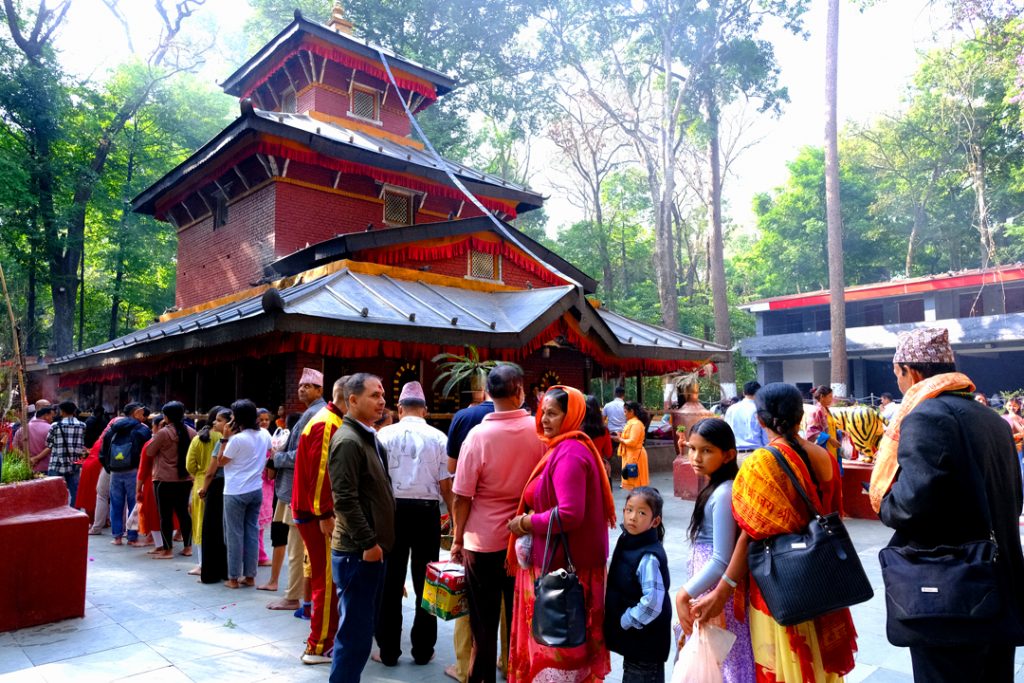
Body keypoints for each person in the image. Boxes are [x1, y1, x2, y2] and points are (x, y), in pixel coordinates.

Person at [869, 327, 1024, 682]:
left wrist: (883, 503)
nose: (900, 386)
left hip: (953, 590)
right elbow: (1014, 498)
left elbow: (910, 505)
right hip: (998, 581)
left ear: (913, 372)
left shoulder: (926, 417)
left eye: (898, 376)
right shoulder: (992, 420)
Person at [732, 383, 856, 682]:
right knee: (818, 662)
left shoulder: (759, 464)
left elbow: (751, 530)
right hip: (820, 570)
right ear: (802, 415)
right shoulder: (823, 455)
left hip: (780, 581)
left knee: (780, 665)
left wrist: (725, 583)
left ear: (760, 420)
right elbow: (833, 509)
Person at [506, 385, 617, 683]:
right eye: (543, 412)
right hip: (558, 561)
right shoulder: (564, 447)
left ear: (573, 416)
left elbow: (569, 514)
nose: (544, 419)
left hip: (564, 570)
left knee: (560, 649)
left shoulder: (569, 452)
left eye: (553, 414)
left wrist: (526, 523)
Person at [450, 366, 543, 683]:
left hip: (483, 542)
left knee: (483, 626)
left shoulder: (477, 436)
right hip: (526, 539)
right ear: (520, 391)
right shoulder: (538, 431)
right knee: (522, 620)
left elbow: (462, 496)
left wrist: (457, 539)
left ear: (488, 394)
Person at [375, 381, 453, 667]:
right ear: (426, 410)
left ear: (399, 408)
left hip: (392, 512)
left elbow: (377, 482)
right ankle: (422, 650)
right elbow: (446, 486)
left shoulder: (384, 435)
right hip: (426, 514)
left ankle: (388, 651)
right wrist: (455, 520)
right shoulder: (438, 437)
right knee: (426, 583)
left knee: (390, 582)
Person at [675, 418, 754, 682]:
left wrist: (683, 594)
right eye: (692, 448)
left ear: (728, 455)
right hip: (708, 585)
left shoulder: (723, 492)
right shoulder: (715, 488)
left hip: (717, 591)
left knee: (724, 658)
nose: (696, 457)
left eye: (706, 450)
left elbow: (721, 559)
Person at [327, 373, 395, 683]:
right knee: (354, 637)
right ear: (352, 401)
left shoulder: (368, 436)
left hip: (370, 551)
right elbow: (344, 500)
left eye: (382, 394)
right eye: (373, 395)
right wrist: (369, 543)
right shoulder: (348, 440)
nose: (381, 401)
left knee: (360, 631)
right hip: (357, 552)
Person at [291, 376, 348, 665]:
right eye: (374, 396)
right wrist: (324, 513)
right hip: (316, 516)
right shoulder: (327, 423)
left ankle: (323, 636)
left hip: (312, 513)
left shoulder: (327, 419)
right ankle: (320, 645)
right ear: (350, 398)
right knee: (326, 579)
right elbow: (321, 473)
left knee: (322, 576)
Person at [445, 385, 495, 682]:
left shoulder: (465, 420)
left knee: (473, 604)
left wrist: (457, 535)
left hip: (476, 527)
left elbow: (455, 479)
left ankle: (466, 666)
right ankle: (507, 660)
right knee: (505, 605)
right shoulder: (530, 425)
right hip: (516, 530)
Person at [266, 367, 327, 608]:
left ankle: (293, 596)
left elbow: (303, 456)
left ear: (320, 390)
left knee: (297, 546)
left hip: (299, 490)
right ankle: (302, 596)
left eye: (307, 386)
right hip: (301, 488)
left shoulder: (315, 414)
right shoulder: (315, 412)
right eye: (300, 385)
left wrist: (276, 458)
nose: (302, 389)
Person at [605, 486, 671, 683]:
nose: (633, 517)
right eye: (629, 510)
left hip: (646, 642)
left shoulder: (648, 556)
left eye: (642, 512)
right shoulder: (629, 541)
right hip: (636, 641)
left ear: (655, 521)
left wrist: (626, 620)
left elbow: (652, 603)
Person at [219, 399, 268, 588]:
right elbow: (270, 450)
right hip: (255, 489)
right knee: (251, 532)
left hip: (235, 491)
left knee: (234, 534)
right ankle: (250, 576)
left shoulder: (237, 439)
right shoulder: (264, 434)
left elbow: (221, 461)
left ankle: (233, 577)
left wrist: (224, 438)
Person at [99, 402, 152, 545]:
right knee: (134, 504)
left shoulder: (112, 430)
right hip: (134, 472)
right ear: (136, 413)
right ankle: (132, 537)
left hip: (115, 472)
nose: (144, 416)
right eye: (142, 413)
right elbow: (149, 452)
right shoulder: (143, 430)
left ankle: (117, 537)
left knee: (116, 504)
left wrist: (110, 468)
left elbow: (102, 454)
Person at [149, 401, 196, 560]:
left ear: (166, 416)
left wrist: (156, 431)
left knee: (165, 515)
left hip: (164, 479)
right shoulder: (191, 432)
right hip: (185, 479)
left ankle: (167, 550)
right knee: (184, 513)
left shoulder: (164, 433)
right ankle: (188, 547)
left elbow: (150, 451)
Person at [185, 406, 225, 575]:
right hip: (223, 482)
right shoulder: (226, 437)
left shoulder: (198, 438)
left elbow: (189, 465)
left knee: (200, 524)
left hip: (201, 481)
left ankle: (203, 563)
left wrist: (197, 474)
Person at [262, 411, 299, 592]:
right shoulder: (305, 444)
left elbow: (270, 474)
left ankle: (274, 581)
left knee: (280, 539)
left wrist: (276, 457)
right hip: (300, 497)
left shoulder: (281, 446)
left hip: (283, 498)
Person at [197, 408, 232, 583]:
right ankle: (227, 571)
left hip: (217, 486)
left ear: (228, 423)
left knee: (211, 530)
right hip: (233, 487)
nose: (214, 423)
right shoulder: (243, 439)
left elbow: (211, 471)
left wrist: (204, 488)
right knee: (226, 531)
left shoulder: (223, 442)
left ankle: (210, 573)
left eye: (219, 420)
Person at [39, 401, 86, 506]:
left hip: (57, 462)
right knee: (75, 492)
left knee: (53, 491)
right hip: (74, 463)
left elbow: (48, 443)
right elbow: (82, 442)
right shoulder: (82, 425)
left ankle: (56, 514)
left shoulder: (55, 425)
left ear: (62, 411)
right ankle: (74, 514)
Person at [724, 381, 767, 460]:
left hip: (735, 455)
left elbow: (726, 431)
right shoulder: (759, 409)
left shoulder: (731, 409)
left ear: (744, 393)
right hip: (756, 455)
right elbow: (765, 435)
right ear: (759, 393)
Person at [256, 407, 275, 566]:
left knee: (258, 524)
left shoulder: (267, 435)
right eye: (261, 419)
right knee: (258, 523)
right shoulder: (266, 436)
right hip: (263, 483)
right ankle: (260, 556)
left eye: (266, 419)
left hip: (264, 484)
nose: (264, 422)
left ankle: (259, 554)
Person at [805, 385, 841, 465]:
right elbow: (811, 432)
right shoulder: (816, 411)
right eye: (830, 396)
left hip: (832, 448)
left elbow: (830, 428)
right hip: (823, 451)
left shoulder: (826, 410)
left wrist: (838, 432)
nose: (832, 399)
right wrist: (829, 438)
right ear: (822, 397)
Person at [618, 400, 649, 489]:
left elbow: (632, 442)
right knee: (631, 480)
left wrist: (620, 439)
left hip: (635, 456)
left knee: (636, 483)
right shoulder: (631, 422)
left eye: (625, 411)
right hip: (630, 454)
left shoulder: (636, 424)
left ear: (632, 411)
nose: (624, 414)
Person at [583, 394, 613, 480]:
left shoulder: (577, 430)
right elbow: (608, 452)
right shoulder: (603, 430)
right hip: (598, 468)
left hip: (581, 467)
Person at [20, 402, 54, 473]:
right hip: (46, 467)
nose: (52, 419)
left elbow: (14, 445)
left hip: (26, 467)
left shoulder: (23, 428)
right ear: (46, 415)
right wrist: (35, 458)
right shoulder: (51, 428)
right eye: (52, 416)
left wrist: (27, 459)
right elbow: (51, 446)